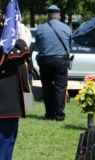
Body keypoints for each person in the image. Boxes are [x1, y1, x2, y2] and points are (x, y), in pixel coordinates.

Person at [0, 1, 32, 158]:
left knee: (7, 145)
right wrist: (22, 45)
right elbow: (3, 56)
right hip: (3, 99)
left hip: (9, 99)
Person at [35, 5, 72, 121]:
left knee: (47, 87)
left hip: (45, 60)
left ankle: (49, 113)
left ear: (48, 15)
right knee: (60, 87)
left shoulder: (40, 29)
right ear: (59, 15)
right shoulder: (66, 28)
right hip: (61, 60)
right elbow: (69, 46)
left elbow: (38, 45)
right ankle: (59, 113)